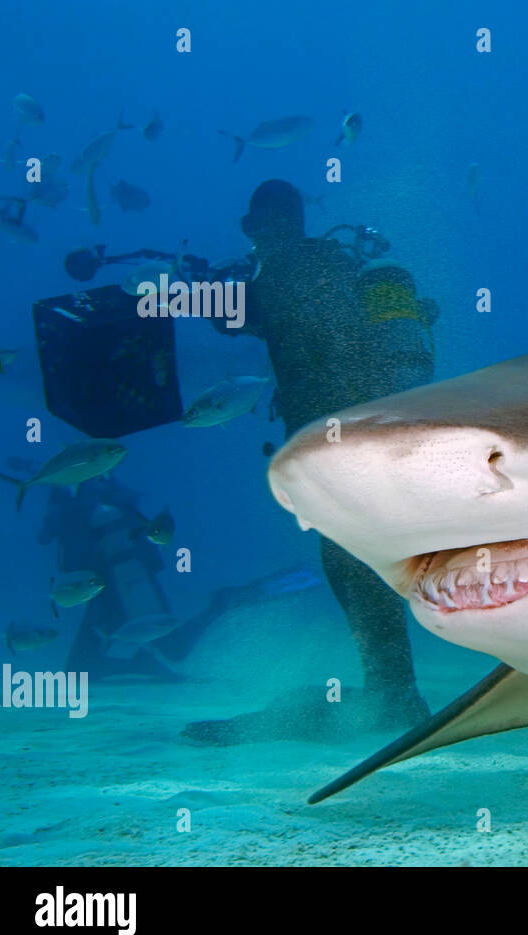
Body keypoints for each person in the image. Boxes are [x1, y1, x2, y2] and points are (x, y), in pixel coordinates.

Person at [187, 180, 437, 744]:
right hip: (373, 424)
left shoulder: (277, 273)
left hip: (332, 439)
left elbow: (226, 317)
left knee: (349, 552)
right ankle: (391, 687)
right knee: (354, 548)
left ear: (258, 227)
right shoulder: (338, 263)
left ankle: (394, 692)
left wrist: (193, 285)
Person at [39, 476, 181, 681]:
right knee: (166, 638)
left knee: (78, 669)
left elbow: (47, 539)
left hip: (104, 584)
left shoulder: (73, 507)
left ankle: (143, 663)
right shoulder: (107, 498)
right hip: (126, 576)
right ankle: (144, 663)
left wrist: (55, 511)